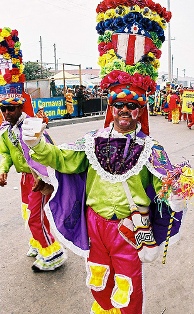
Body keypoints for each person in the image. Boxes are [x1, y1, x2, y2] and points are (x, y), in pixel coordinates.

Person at [21, 2, 191, 312]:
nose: (125, 111)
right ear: (111, 107)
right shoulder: (91, 141)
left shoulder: (152, 148)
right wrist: (35, 141)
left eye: (133, 105)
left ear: (141, 110)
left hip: (129, 228)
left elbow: (169, 185)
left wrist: (178, 191)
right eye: (119, 105)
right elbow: (60, 159)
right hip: (95, 224)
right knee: (98, 281)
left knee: (127, 286)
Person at [0, 98, 66, 272]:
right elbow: (6, 153)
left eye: (11, 109)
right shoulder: (6, 130)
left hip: (40, 177)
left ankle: (52, 253)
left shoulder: (32, 126)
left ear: (21, 107)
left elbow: (50, 152)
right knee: (27, 214)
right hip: (25, 179)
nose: (6, 113)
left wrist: (43, 176)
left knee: (35, 218)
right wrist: (3, 169)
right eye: (3, 108)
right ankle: (38, 243)